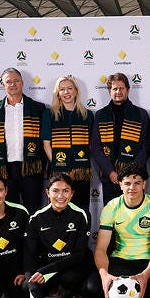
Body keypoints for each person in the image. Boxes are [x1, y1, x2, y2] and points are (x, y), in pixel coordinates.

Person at [89, 163, 150, 298]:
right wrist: (104, 275)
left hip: (147, 260)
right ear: (120, 185)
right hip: (120, 259)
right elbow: (100, 249)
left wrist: (145, 275)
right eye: (127, 183)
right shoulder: (111, 207)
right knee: (91, 288)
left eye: (137, 183)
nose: (132, 187)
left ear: (144, 184)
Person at [24, 173, 91, 298]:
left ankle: (77, 297)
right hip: (49, 265)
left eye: (66, 191)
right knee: (29, 283)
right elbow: (29, 254)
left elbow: (79, 254)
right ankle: (55, 295)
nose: (60, 195)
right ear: (47, 192)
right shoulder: (36, 218)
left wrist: (46, 270)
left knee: (70, 278)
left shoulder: (81, 214)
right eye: (55, 191)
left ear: (72, 193)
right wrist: (33, 286)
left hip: (74, 264)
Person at [0, 68, 46, 215]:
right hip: (5, 168)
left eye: (16, 81)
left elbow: (43, 140)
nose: (12, 84)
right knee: (9, 209)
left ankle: (32, 237)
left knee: (33, 208)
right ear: (3, 84)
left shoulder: (38, 108)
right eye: (8, 82)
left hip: (31, 167)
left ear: (22, 83)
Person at [90, 73, 150, 205]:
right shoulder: (100, 115)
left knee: (135, 215)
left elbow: (146, 145)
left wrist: (131, 171)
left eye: (121, 88)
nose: (118, 92)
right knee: (111, 216)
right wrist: (110, 172)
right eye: (114, 89)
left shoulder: (141, 114)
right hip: (110, 177)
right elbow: (96, 147)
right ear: (109, 91)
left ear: (128, 90)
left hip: (134, 177)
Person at [40, 76, 94, 212]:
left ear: (76, 91)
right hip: (59, 171)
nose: (66, 92)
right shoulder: (49, 113)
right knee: (59, 208)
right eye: (62, 89)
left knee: (81, 207)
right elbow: (47, 144)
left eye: (70, 88)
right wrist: (58, 166)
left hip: (81, 171)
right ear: (57, 93)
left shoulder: (87, 115)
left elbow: (91, 145)